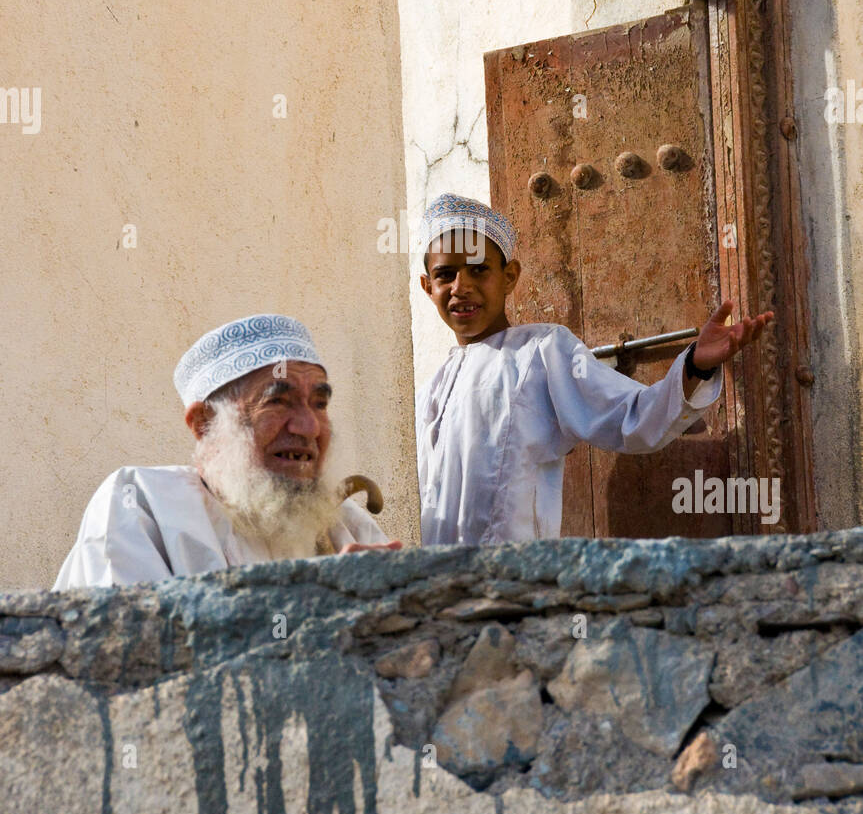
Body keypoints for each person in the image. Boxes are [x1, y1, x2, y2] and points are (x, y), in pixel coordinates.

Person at [417, 193, 774, 546]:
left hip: (511, 574)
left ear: (509, 276)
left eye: (479, 269)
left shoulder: (542, 351)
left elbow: (632, 417)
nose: (461, 287)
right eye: (445, 275)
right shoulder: (431, 390)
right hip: (435, 577)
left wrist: (696, 364)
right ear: (428, 287)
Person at [53, 313, 401, 589]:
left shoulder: (346, 525)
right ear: (204, 423)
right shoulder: (141, 502)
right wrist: (327, 604)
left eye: (319, 404)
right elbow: (132, 643)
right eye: (278, 401)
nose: (309, 427)